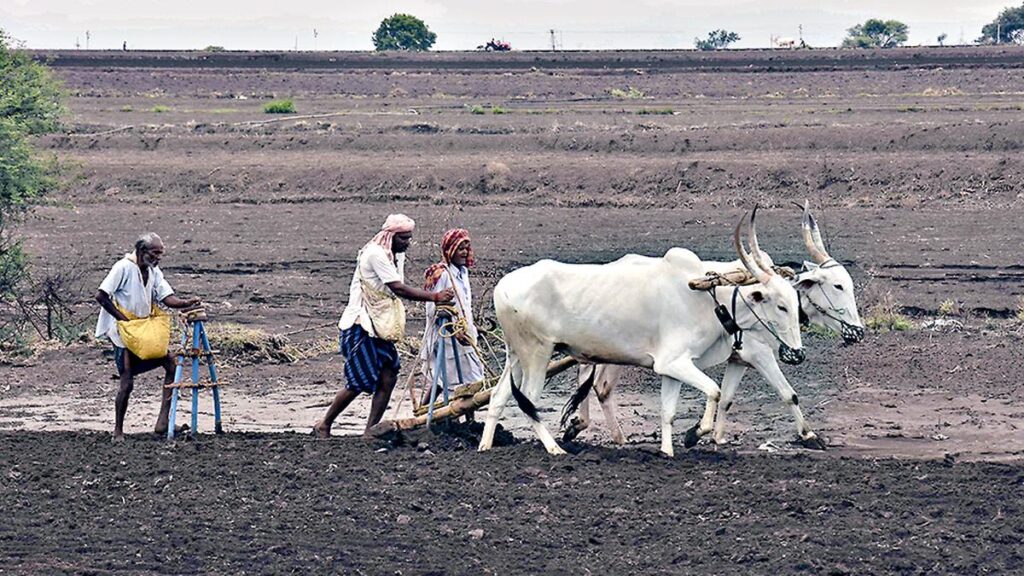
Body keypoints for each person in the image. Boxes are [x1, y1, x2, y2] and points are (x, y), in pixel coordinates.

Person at [313, 214, 454, 438]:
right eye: (403, 238)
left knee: (389, 374)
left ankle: (371, 430)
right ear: (391, 236)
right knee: (358, 380)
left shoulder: (394, 255)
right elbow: (398, 288)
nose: (407, 243)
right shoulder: (375, 255)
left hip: (378, 326)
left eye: (409, 238)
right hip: (361, 325)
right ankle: (325, 423)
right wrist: (435, 297)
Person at [94, 233, 201, 442]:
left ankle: (163, 422)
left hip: (143, 330)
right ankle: (118, 430)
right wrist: (123, 320)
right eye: (155, 253)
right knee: (127, 381)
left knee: (171, 364)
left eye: (160, 254)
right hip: (123, 332)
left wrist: (187, 302)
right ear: (142, 251)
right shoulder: (123, 267)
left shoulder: (153, 271)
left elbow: (166, 297)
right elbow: (101, 295)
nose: (158, 258)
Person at [419, 229, 486, 406]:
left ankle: (465, 417)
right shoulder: (441, 275)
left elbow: (464, 305)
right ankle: (431, 412)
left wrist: (472, 327)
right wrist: (452, 330)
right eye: (460, 249)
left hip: (464, 332)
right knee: (450, 378)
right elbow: (434, 310)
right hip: (446, 335)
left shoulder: (463, 272)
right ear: (450, 250)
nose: (465, 253)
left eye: (466, 248)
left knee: (466, 379)